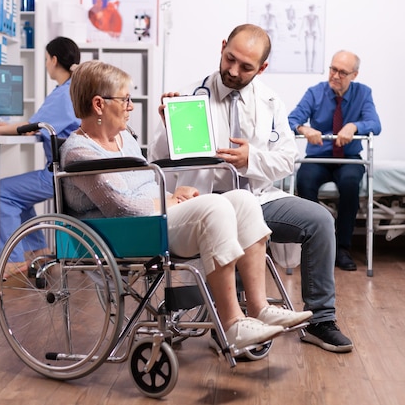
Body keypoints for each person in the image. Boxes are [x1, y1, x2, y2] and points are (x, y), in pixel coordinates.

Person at [60, 60, 312, 351]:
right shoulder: (80, 152)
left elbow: (144, 183)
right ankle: (232, 323)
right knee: (214, 208)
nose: (131, 106)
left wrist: (174, 191)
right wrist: (168, 199)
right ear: (99, 104)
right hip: (124, 234)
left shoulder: (123, 139)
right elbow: (120, 207)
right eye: (125, 99)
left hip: (149, 221)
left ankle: (258, 307)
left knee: (242, 201)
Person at [148, 24, 353, 353]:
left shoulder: (271, 101)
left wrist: (250, 160)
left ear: (262, 68)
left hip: (259, 198)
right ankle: (231, 320)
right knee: (227, 216)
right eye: (230, 59)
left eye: (246, 67)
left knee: (320, 220)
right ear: (223, 45)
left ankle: (321, 321)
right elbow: (157, 164)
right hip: (208, 203)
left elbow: (287, 159)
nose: (233, 70)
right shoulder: (187, 97)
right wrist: (165, 128)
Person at [0, 36, 81, 279]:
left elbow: (32, 126)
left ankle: (14, 260)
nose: (45, 65)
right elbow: (37, 125)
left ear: (53, 60)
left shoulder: (64, 94)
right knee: (18, 195)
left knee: (2, 192)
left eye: (45, 60)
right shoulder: (74, 89)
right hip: (74, 171)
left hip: (62, 175)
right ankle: (37, 250)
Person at [288, 50, 381, 271]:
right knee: (304, 181)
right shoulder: (315, 93)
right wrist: (304, 128)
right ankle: (313, 246)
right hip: (318, 157)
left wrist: (354, 126)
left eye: (342, 72)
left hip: (348, 157)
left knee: (350, 183)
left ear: (354, 75)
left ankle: (342, 248)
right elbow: (291, 120)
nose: (335, 75)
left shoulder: (363, 93)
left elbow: (375, 124)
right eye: (333, 69)